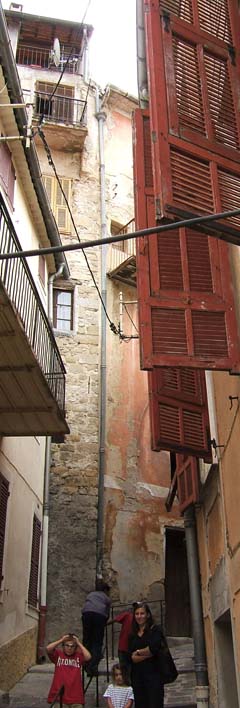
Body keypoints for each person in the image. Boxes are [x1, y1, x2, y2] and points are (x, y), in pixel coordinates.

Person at [128, 602, 164, 708]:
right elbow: (132, 658)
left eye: (142, 613)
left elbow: (154, 648)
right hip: (138, 678)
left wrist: (138, 652)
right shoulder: (132, 634)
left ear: (148, 615)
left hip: (154, 676)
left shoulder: (155, 630)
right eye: (137, 614)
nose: (139, 616)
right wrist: (148, 654)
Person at [46, 632, 91, 707]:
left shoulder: (78, 657)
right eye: (67, 645)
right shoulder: (58, 655)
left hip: (75, 697)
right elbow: (48, 648)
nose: (69, 648)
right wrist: (61, 640)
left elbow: (88, 657)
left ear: (75, 647)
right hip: (60, 697)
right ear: (63, 646)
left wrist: (78, 643)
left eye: (72, 646)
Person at [81, 580, 111, 676]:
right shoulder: (106, 598)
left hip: (86, 614)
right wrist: (104, 623)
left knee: (87, 639)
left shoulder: (90, 595)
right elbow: (107, 614)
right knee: (97, 642)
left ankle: (85, 663)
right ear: (105, 590)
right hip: (99, 616)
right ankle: (92, 667)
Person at [107, 606, 136, 678]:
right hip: (129, 647)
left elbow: (115, 620)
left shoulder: (127, 615)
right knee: (129, 667)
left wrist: (104, 624)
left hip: (124, 647)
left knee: (124, 667)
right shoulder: (130, 616)